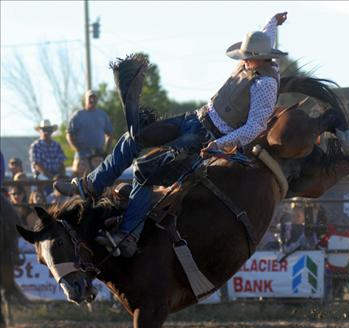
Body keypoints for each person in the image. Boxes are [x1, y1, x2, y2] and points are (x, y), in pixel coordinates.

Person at [56, 12, 289, 257]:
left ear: (260, 59)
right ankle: (91, 184)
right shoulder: (254, 64)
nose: (244, 61)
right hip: (194, 118)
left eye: (248, 57)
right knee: (135, 137)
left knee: (145, 170)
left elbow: (255, 127)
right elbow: (265, 35)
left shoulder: (266, 84)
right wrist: (274, 22)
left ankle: (128, 235)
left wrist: (219, 144)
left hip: (206, 138)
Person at [67, 90, 113, 176]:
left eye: (94, 97)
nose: (92, 99)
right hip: (82, 154)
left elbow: (110, 134)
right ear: (85, 99)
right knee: (78, 178)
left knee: (101, 178)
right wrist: (77, 149)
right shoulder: (78, 115)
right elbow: (69, 134)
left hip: (98, 153)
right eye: (90, 97)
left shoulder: (102, 115)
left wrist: (107, 152)